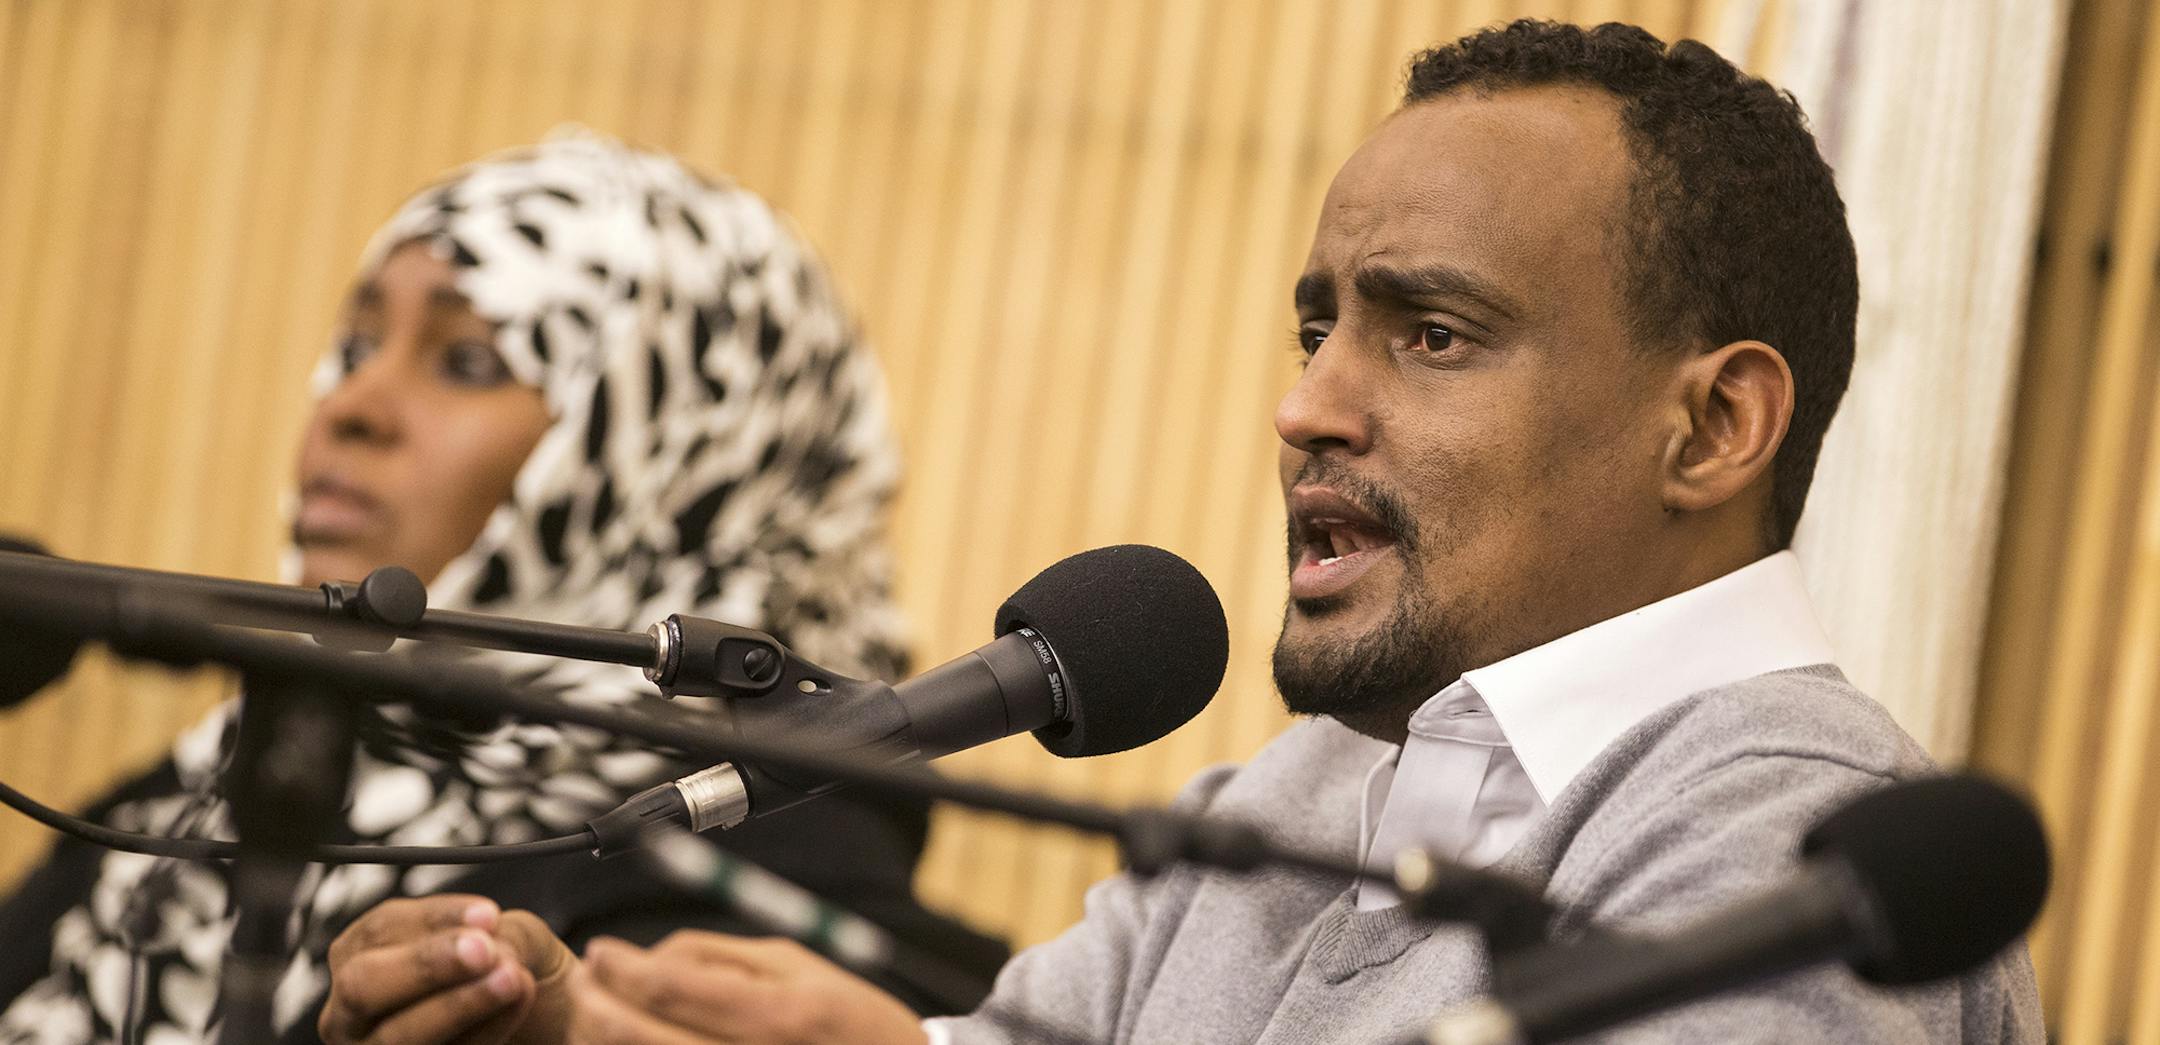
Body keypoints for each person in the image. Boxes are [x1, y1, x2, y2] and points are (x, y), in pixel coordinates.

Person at [320, 20, 2046, 1045]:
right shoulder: (1293, 799)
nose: (1310, 406)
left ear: (1712, 424)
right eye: (1320, 327)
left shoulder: (1804, 853)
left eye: (1428, 334)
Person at [0, 132, 1004, 1044]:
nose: (350, 404)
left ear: (670, 455)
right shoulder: (201, 796)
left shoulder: (763, 884)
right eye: (354, 348)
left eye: (468, 361)